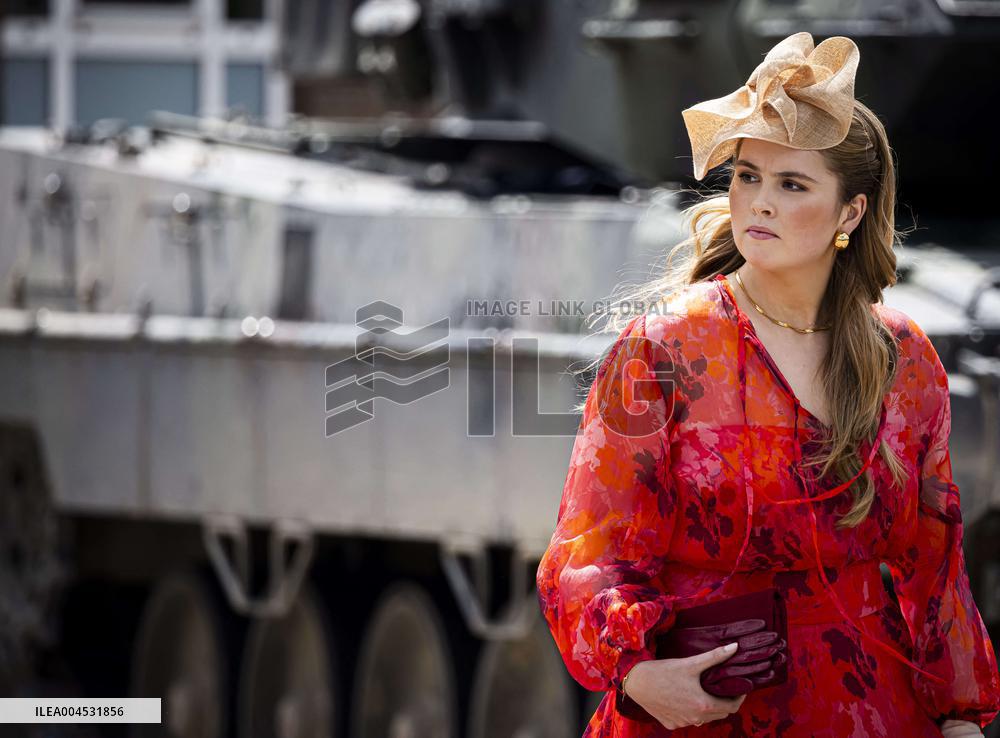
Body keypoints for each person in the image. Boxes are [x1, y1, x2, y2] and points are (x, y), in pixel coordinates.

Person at [535, 32, 1000, 737]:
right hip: (702, 712)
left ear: (850, 213)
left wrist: (960, 717)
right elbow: (591, 548)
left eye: (792, 184)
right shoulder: (666, 348)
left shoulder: (903, 357)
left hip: (866, 710)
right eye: (748, 176)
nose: (759, 202)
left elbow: (934, 561)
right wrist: (638, 675)